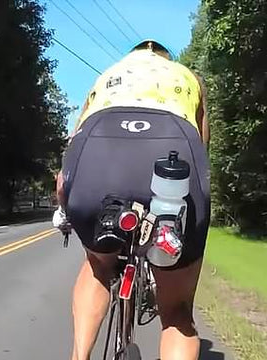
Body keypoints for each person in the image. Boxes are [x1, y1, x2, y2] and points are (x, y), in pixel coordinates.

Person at [54, 39, 210, 360]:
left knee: (98, 265)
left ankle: (79, 357)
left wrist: (64, 206)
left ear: (132, 57)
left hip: (97, 153)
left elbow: (72, 150)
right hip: (173, 157)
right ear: (166, 59)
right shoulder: (188, 77)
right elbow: (201, 148)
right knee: (177, 311)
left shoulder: (107, 77)